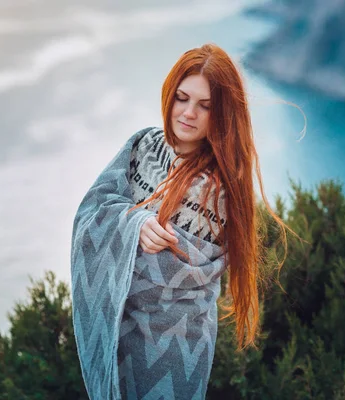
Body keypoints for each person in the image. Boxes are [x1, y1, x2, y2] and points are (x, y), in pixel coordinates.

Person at [70, 43, 291, 400]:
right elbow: (93, 209)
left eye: (205, 106)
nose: (188, 113)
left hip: (174, 347)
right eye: (182, 98)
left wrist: (131, 232)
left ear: (223, 115)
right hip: (117, 333)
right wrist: (135, 223)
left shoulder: (216, 192)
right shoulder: (143, 146)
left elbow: (164, 280)